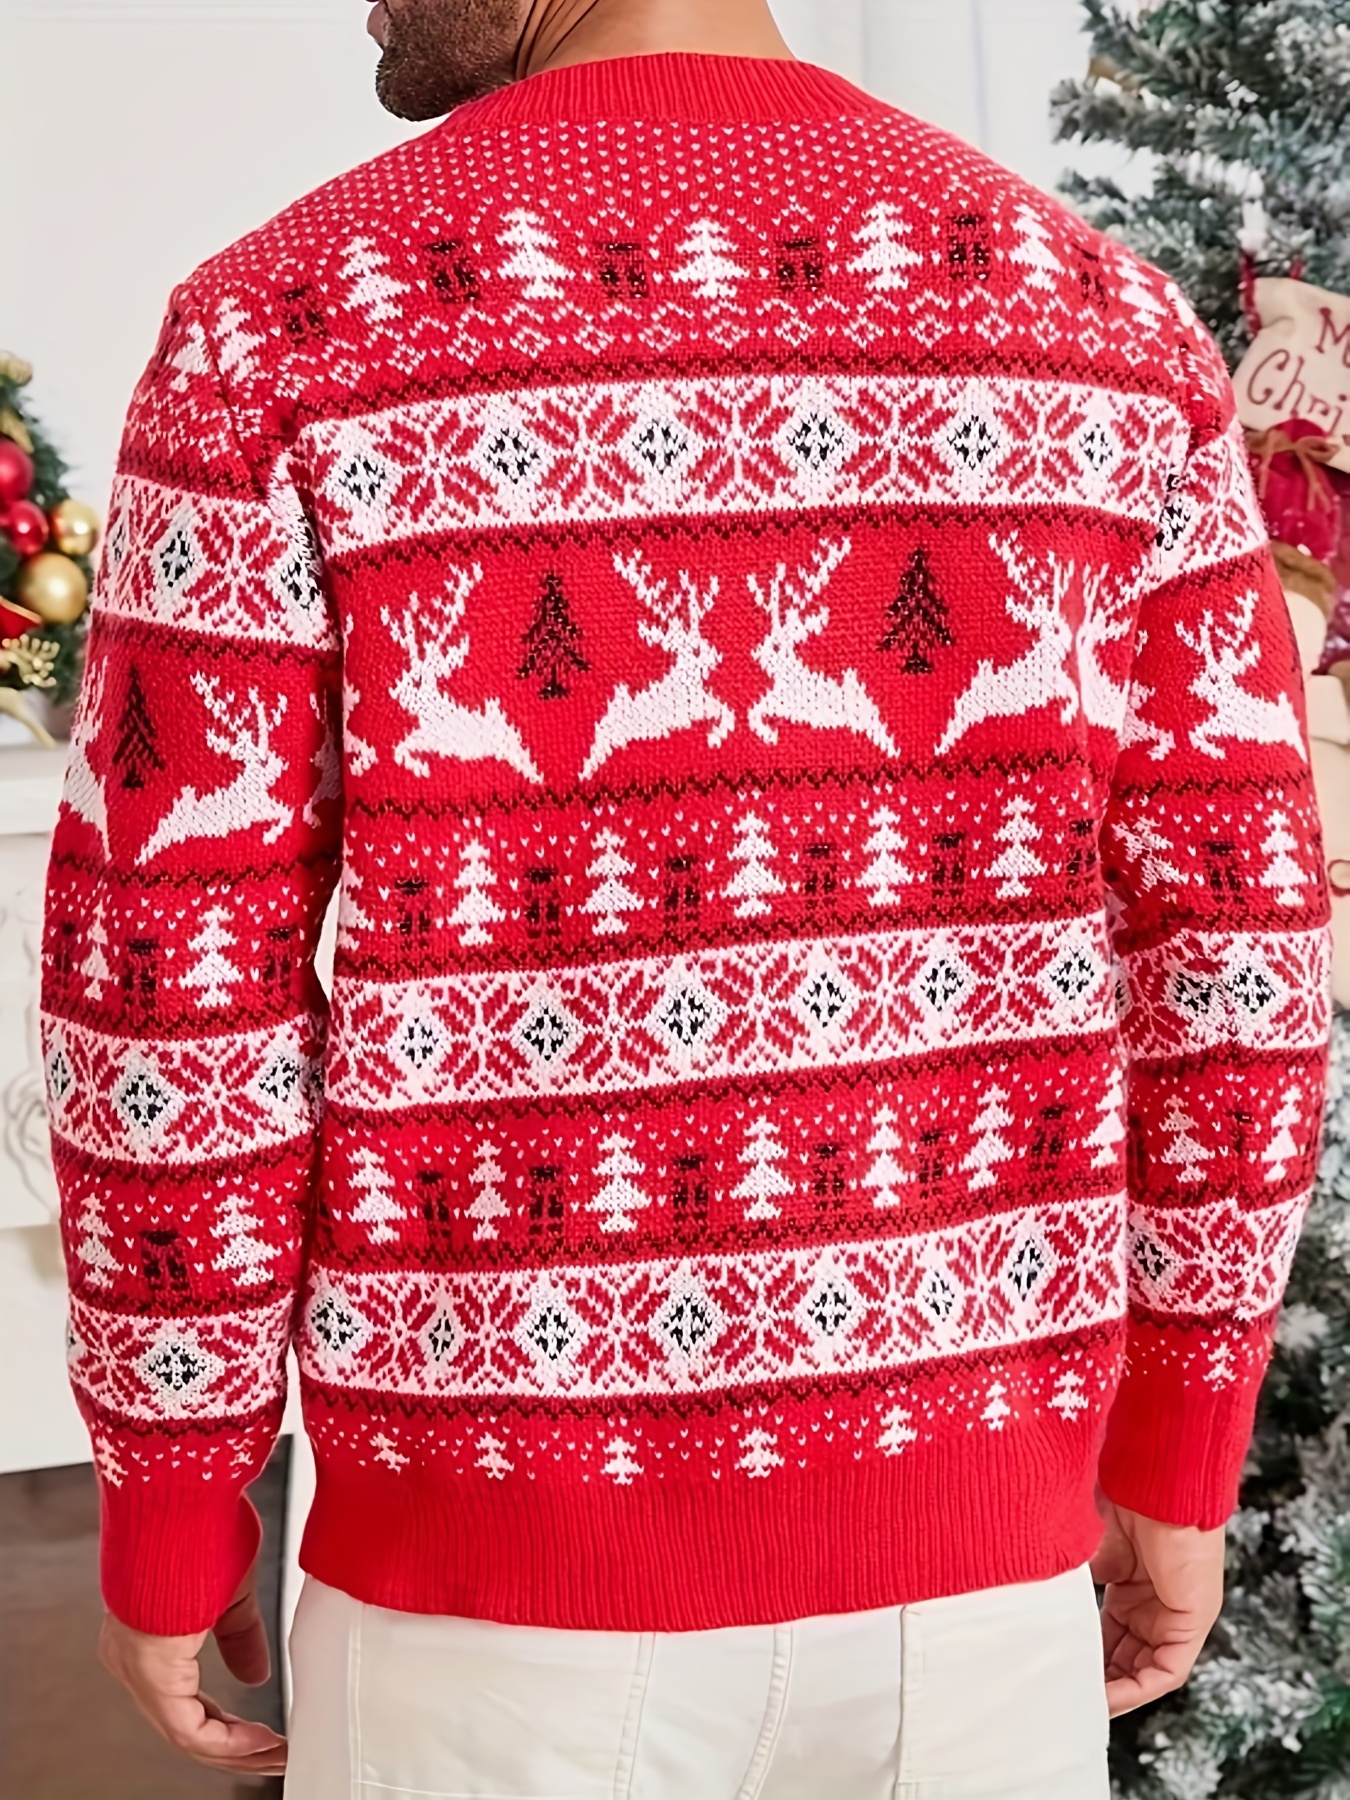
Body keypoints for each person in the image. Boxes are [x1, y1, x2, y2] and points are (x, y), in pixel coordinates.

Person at [42, 0, 1332, 1794]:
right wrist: (1178, 1446)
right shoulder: (1097, 322)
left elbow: (166, 973)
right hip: (976, 1600)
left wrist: (175, 1489)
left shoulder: (286, 322)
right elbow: (1236, 945)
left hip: (490, 1605)